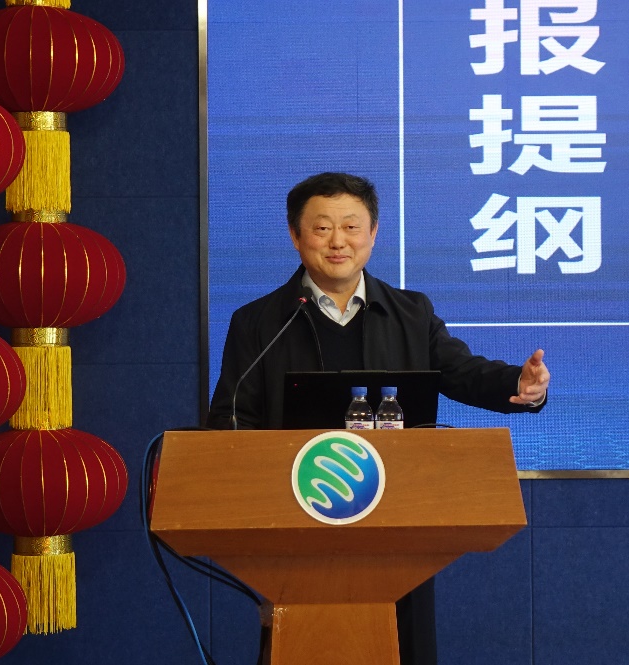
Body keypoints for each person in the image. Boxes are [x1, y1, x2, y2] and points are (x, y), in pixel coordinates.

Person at [207, 172, 550, 664]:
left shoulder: (411, 313)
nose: (338, 241)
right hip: (297, 518)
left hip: (396, 520)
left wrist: (519, 383)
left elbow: (461, 371)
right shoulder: (258, 322)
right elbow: (232, 418)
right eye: (322, 228)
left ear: (373, 233)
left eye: (351, 226)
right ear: (295, 235)